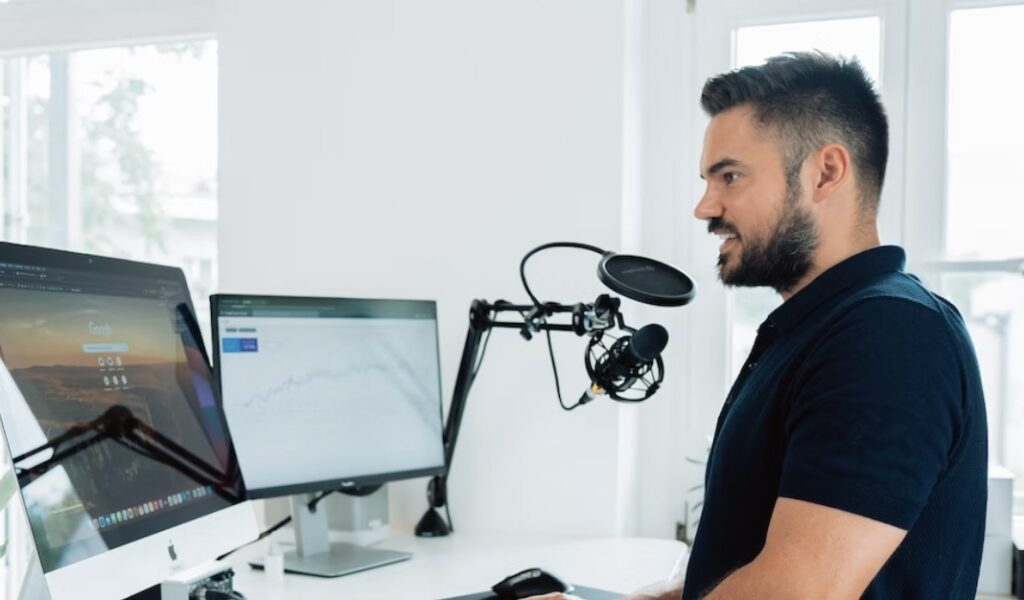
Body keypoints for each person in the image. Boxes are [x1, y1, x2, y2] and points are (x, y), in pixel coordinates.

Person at [531, 50, 988, 600]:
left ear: (826, 172)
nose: (705, 206)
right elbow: (752, 561)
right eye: (707, 179)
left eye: (730, 176)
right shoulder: (820, 329)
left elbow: (797, 592)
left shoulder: (891, 335)